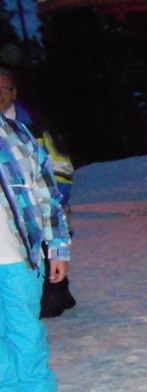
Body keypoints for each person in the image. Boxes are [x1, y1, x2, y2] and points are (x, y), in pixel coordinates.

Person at [0, 113, 70, 392]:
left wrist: (57, 247)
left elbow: (47, 194)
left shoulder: (16, 134)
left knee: (28, 337)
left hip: (18, 258)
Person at [0, 68, 76, 318]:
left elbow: (61, 167)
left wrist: (55, 201)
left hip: (40, 211)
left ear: (14, 93)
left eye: (4, 89)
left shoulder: (34, 126)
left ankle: (57, 294)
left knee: (45, 296)